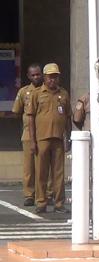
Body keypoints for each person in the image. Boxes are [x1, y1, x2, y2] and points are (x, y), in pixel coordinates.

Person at [25, 63, 72, 214]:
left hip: (58, 139)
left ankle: (59, 203)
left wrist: (68, 138)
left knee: (58, 173)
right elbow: (30, 118)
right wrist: (32, 141)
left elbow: (68, 117)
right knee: (41, 172)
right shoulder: (37, 94)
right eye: (50, 77)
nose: (53, 80)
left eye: (55, 77)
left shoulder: (63, 94)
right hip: (42, 139)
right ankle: (41, 202)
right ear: (45, 77)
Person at [11, 63, 49, 206]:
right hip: (28, 134)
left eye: (38, 74)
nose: (36, 77)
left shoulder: (48, 91)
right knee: (29, 167)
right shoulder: (24, 92)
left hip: (45, 133)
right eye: (33, 75)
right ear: (28, 76)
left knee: (46, 167)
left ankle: (46, 193)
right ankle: (29, 194)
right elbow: (16, 111)